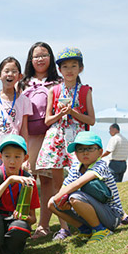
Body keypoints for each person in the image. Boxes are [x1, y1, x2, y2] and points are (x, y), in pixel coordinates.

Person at [36, 47, 96, 241]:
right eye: (65, 66)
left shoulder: (85, 90)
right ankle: (64, 226)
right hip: (56, 137)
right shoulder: (53, 90)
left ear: (81, 68)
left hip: (77, 137)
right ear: (60, 70)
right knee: (57, 182)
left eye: (74, 66)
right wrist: (60, 114)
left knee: (79, 178)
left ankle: (84, 218)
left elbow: (91, 120)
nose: (69, 70)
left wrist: (73, 113)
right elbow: (47, 120)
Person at [18, 42, 63, 240]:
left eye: (44, 55)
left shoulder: (58, 82)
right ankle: (25, 223)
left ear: (51, 58)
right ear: (30, 60)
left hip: (50, 135)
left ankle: (44, 226)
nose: (40, 59)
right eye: (36, 56)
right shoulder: (23, 83)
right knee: (26, 180)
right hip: (27, 136)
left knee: (47, 180)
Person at [48, 132, 123, 243]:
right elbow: (65, 187)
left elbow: (78, 183)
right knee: (51, 204)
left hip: (112, 216)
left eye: (90, 148)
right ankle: (86, 230)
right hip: (91, 209)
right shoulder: (75, 167)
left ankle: (101, 230)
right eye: (80, 149)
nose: (85, 153)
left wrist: (58, 197)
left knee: (75, 197)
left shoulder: (101, 165)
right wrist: (60, 201)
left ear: (100, 152)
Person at [0, 57, 32, 166]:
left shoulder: (24, 101)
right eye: (6, 71)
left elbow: (24, 130)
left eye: (14, 72)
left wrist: (25, 153)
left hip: (14, 149)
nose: (10, 74)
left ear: (20, 76)